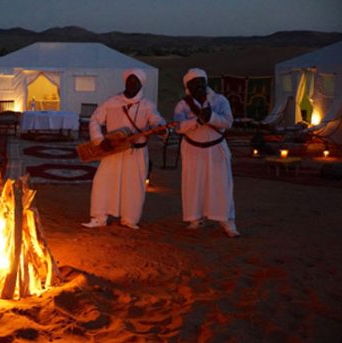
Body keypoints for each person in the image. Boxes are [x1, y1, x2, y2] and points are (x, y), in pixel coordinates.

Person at [82, 69, 167, 230]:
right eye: (130, 80)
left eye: (136, 82)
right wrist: (100, 140)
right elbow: (95, 120)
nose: (132, 84)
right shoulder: (112, 101)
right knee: (103, 182)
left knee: (134, 185)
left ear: (141, 84)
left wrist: (161, 128)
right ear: (125, 82)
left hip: (136, 152)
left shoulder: (148, 105)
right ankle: (99, 217)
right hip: (113, 150)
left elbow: (157, 120)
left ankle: (130, 219)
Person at [174, 68, 240, 237]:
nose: (199, 87)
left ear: (206, 83)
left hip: (216, 149)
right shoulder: (182, 105)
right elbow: (179, 127)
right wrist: (197, 121)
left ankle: (227, 221)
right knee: (193, 184)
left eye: (201, 83)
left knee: (221, 185)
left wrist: (211, 117)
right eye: (194, 84)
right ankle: (195, 218)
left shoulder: (219, 100)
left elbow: (228, 122)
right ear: (188, 87)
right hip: (193, 150)